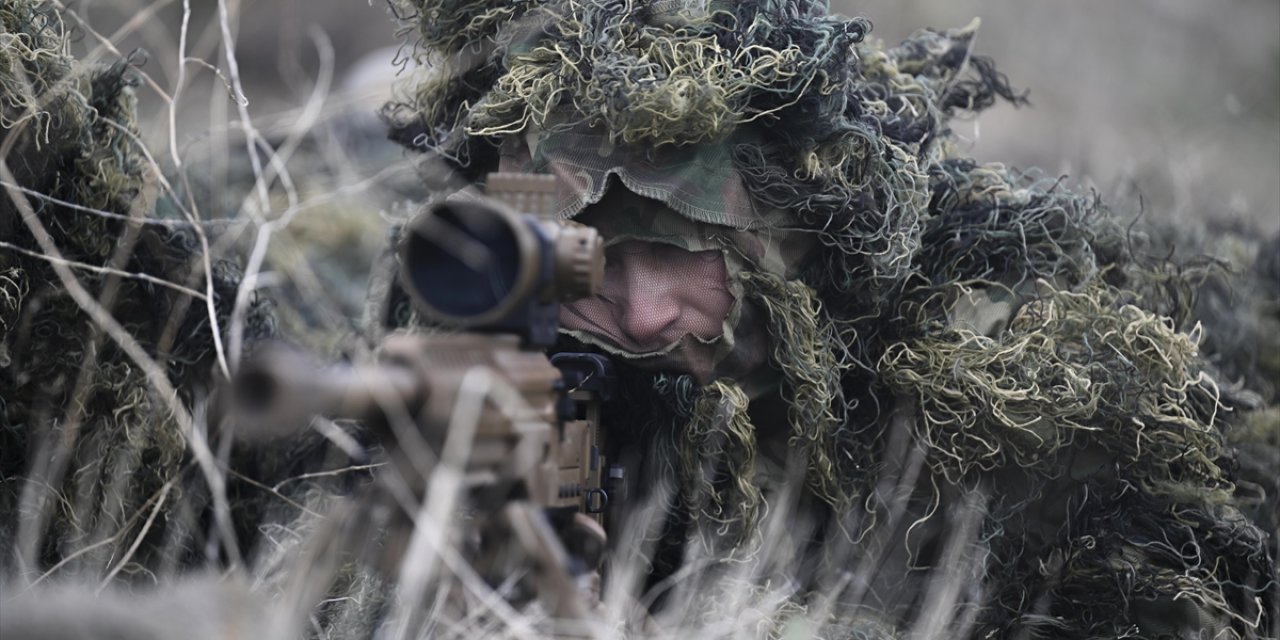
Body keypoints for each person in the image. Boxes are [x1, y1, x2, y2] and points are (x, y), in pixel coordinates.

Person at [382, 1, 1277, 636]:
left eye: (692, 259)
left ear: (795, 252)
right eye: (597, 266)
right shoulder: (502, 353)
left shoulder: (982, 393)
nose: (645, 316)